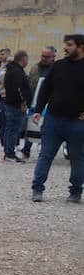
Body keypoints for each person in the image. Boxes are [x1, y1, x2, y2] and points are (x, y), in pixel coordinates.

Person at [30, 34, 84, 203]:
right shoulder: (58, 66)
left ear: (81, 46)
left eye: (69, 45)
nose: (65, 48)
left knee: (77, 158)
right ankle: (37, 189)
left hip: (77, 122)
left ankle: (75, 192)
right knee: (45, 155)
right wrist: (38, 110)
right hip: (53, 120)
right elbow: (45, 89)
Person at [21, 45, 57, 158]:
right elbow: (29, 85)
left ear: (53, 57)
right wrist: (26, 101)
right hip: (34, 103)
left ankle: (44, 152)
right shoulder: (35, 68)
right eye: (42, 56)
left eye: (47, 56)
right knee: (31, 126)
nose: (44, 58)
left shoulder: (56, 69)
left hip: (51, 104)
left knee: (48, 129)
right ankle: (26, 150)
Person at [0, 50, 31, 163]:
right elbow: (18, 89)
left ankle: (8, 152)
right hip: (16, 105)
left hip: (10, 103)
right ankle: (10, 153)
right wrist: (23, 102)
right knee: (13, 129)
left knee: (10, 128)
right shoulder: (17, 72)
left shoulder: (11, 70)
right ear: (23, 59)